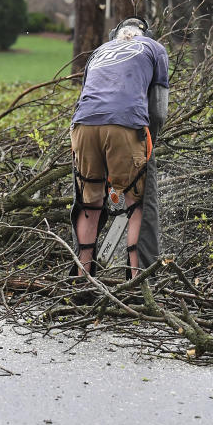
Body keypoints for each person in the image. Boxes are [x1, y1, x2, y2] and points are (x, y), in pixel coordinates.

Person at [69, 17, 169, 279]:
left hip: (82, 126)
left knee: (89, 203)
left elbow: (87, 96)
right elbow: (158, 111)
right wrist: (148, 147)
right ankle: (137, 282)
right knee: (137, 203)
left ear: (116, 34)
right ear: (145, 34)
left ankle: (82, 279)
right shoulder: (154, 48)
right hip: (125, 125)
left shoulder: (100, 51)